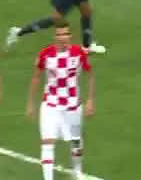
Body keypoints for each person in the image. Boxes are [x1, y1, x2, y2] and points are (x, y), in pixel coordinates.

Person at [27, 23, 95, 180]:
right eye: (59, 34)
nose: (62, 37)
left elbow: (90, 74)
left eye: (65, 34)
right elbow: (36, 77)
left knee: (76, 142)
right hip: (51, 106)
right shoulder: (45, 54)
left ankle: (77, 171)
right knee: (47, 142)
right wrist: (31, 103)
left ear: (70, 36)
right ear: (55, 37)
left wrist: (90, 100)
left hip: (73, 106)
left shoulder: (79, 53)